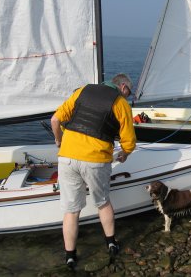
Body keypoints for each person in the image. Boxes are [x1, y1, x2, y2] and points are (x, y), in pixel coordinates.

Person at [51, 73, 136, 268]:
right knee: (103, 203)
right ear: (122, 87)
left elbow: (55, 120)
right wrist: (125, 154)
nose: (128, 96)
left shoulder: (83, 90)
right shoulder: (120, 103)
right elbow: (129, 141)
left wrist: (59, 141)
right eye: (128, 92)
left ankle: (70, 256)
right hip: (95, 160)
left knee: (71, 211)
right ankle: (111, 243)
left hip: (67, 158)